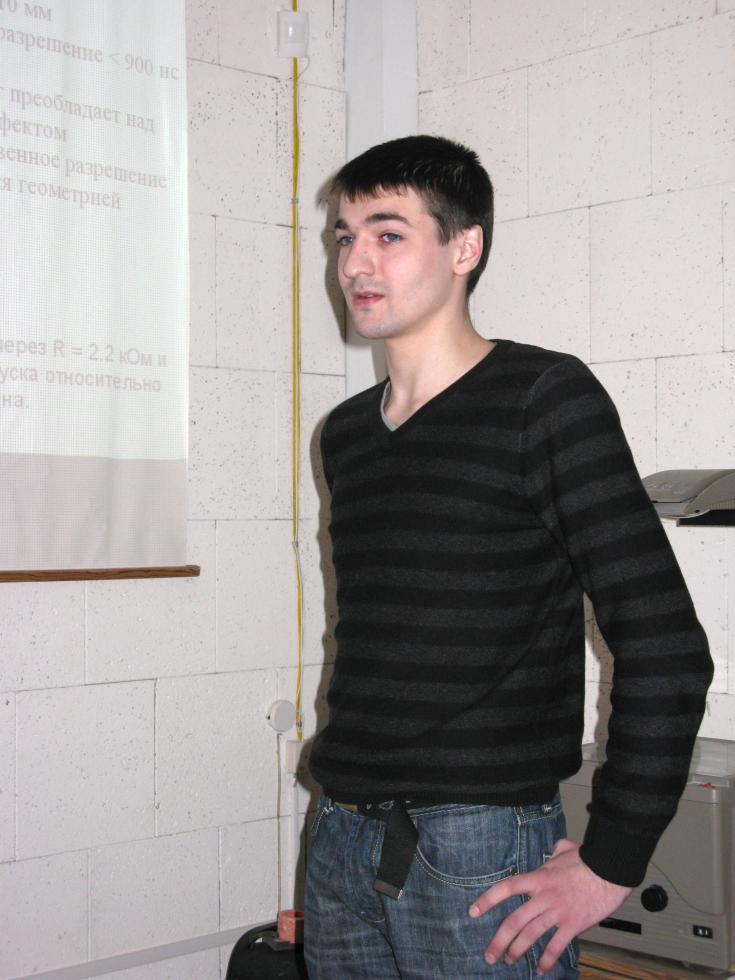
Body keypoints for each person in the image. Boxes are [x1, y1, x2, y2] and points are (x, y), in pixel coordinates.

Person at [304, 134, 713, 979]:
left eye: (387, 234)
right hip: (341, 836)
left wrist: (610, 862)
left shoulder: (543, 398)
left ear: (464, 248)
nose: (354, 263)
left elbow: (663, 642)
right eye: (344, 237)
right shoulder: (345, 434)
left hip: (477, 852)